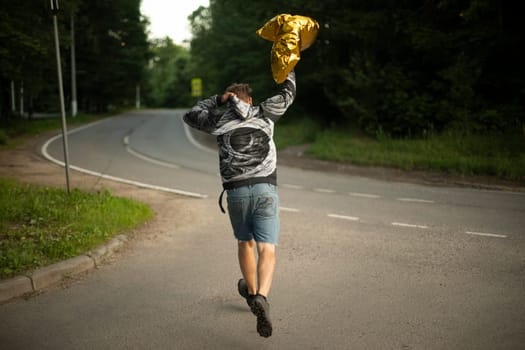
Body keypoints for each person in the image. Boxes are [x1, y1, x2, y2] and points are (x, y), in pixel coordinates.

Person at [183, 71, 296, 337]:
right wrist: (288, 65)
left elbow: (191, 114)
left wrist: (217, 100)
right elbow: (289, 93)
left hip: (236, 193)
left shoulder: (219, 120)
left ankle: (253, 293)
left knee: (245, 243)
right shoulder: (265, 112)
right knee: (267, 249)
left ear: (230, 98)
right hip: (266, 189)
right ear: (250, 98)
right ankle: (261, 298)